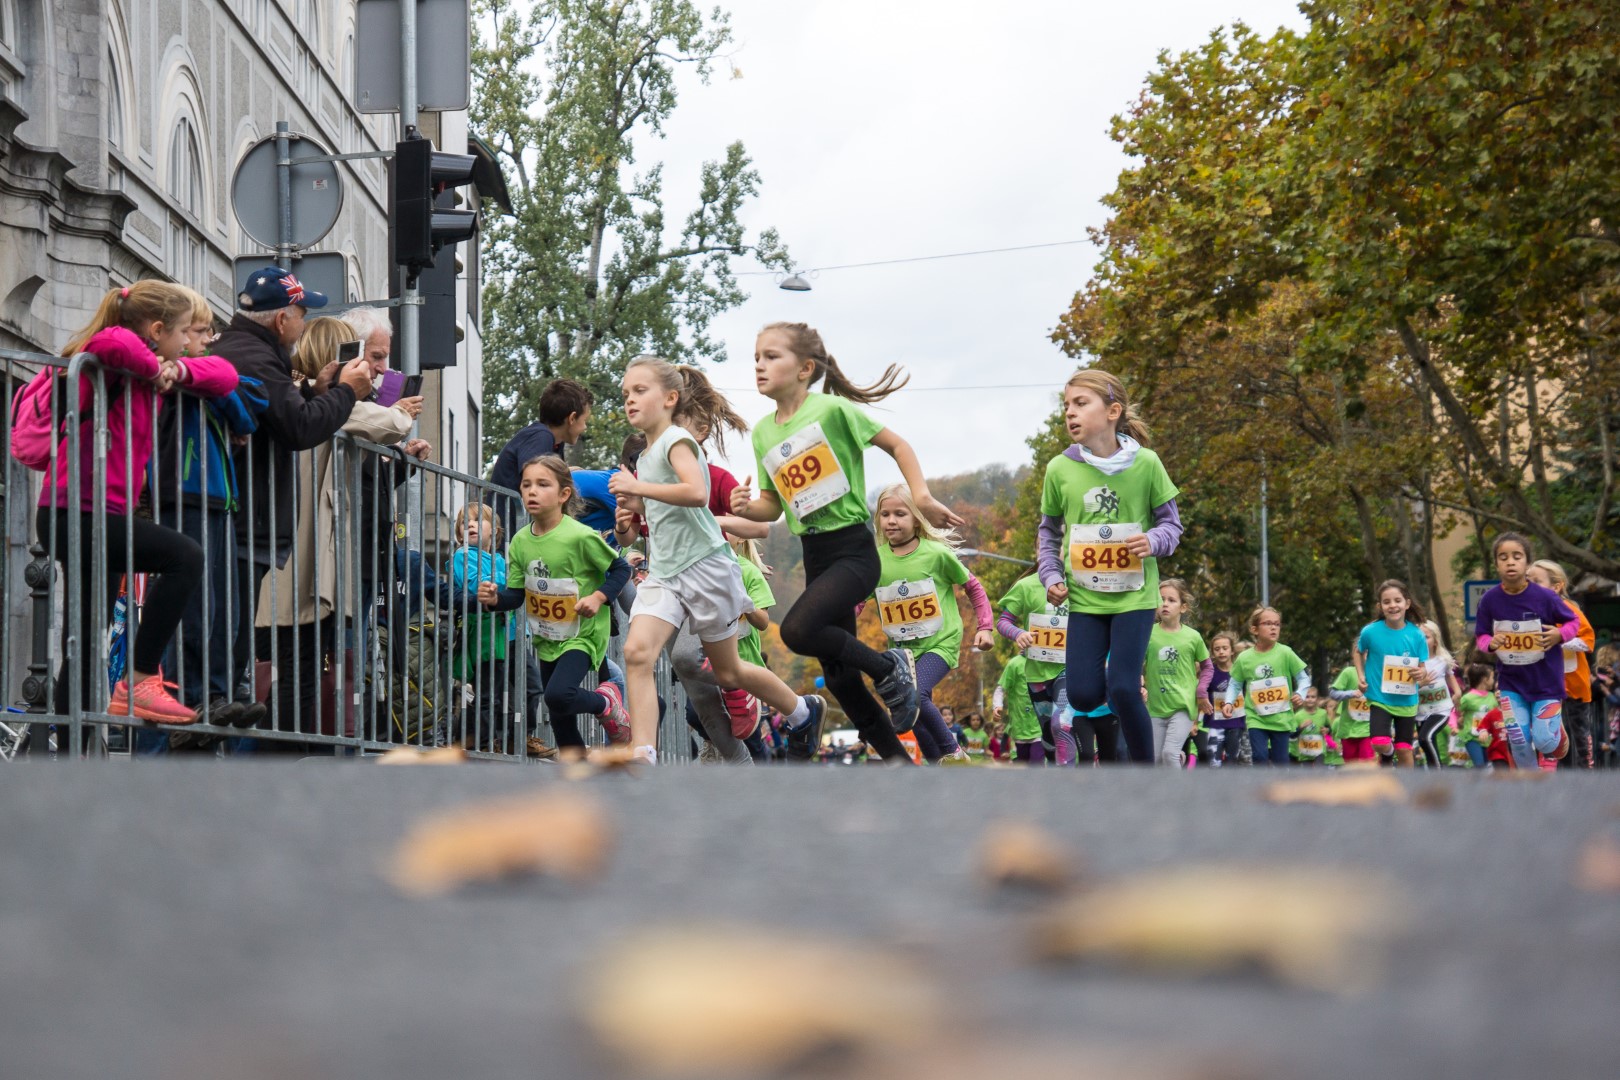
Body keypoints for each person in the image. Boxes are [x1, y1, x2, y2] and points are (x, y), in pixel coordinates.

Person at [729, 323, 960, 760]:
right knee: (839, 680)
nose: (759, 365)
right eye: (756, 357)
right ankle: (898, 764)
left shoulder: (833, 411)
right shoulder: (762, 433)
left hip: (853, 550)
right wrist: (744, 507)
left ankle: (888, 667)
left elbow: (898, 445)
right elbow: (772, 507)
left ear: (805, 368)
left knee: (797, 630)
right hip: (814, 555)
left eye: (771, 356)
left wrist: (923, 496)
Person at [33, 281, 241, 727]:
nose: (187, 342)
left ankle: (72, 752)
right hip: (75, 511)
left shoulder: (148, 370)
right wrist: (153, 367)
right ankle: (141, 678)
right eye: (183, 332)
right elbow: (112, 340)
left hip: (100, 514)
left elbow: (225, 375)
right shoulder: (115, 354)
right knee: (186, 556)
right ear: (157, 330)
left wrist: (176, 371)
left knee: (86, 640)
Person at [610, 357, 826, 765]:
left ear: (670, 399)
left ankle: (802, 711)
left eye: (640, 391)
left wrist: (640, 489)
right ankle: (643, 754)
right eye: (625, 394)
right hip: (666, 574)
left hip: (706, 569)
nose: (630, 400)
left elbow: (695, 492)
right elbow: (660, 513)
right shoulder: (647, 456)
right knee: (637, 653)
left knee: (729, 672)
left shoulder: (677, 440)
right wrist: (635, 508)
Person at [252, 315, 428, 742]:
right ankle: (284, 758)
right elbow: (386, 424)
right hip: (304, 554)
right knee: (301, 668)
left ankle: (295, 753)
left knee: (305, 666)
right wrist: (398, 412)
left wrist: (400, 461)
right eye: (367, 357)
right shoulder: (322, 399)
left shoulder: (308, 396)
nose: (374, 369)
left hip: (312, 552)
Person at [218, 267, 371, 717]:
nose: (304, 325)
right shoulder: (255, 356)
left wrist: (313, 391)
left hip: (245, 519)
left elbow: (283, 410)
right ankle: (195, 733)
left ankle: (212, 716)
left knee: (231, 639)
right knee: (226, 638)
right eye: (302, 314)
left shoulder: (251, 351)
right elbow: (298, 427)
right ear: (282, 319)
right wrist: (345, 393)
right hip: (243, 520)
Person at [1036, 369, 1182, 763]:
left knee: (1122, 688)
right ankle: (1118, 713)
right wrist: (1050, 575)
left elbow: (1172, 526)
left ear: (1112, 411)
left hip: (1134, 597)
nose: (1070, 412)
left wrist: (1153, 541)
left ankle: (1144, 774)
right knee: (1083, 695)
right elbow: (1048, 533)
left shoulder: (1147, 464)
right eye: (1066, 405)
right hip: (1086, 600)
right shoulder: (1059, 469)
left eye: (1080, 403)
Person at [153, 287, 269, 735]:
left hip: (220, 500)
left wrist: (201, 380)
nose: (207, 339)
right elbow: (232, 396)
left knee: (224, 608)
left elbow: (247, 404)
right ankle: (189, 698)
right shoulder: (162, 375)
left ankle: (216, 695)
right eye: (199, 331)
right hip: (182, 495)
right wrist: (213, 388)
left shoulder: (197, 371)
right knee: (194, 605)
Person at [477, 457, 632, 755]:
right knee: (561, 717)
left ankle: (606, 703)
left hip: (583, 634)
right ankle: (577, 770)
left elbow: (621, 569)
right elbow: (516, 595)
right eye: (526, 485)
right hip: (547, 635)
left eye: (542, 484)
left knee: (559, 695)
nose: (532, 491)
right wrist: (495, 599)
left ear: (564, 494)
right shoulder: (520, 541)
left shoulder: (580, 536)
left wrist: (598, 597)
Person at [870, 483, 990, 763]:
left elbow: (973, 587)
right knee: (912, 712)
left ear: (917, 519)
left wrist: (985, 627)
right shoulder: (875, 561)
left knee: (916, 695)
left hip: (940, 642)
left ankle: (954, 752)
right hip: (903, 651)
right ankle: (939, 766)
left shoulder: (936, 554)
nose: (891, 520)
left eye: (900, 514)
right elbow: (858, 600)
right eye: (885, 514)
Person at [1476, 533, 1578, 770]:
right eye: (1503, 557)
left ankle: (1556, 734)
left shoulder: (1545, 597)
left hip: (1546, 682)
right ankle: (1530, 783)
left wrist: (1559, 634)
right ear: (1496, 564)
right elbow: (1481, 635)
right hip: (1511, 683)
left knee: (1544, 741)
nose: (1510, 562)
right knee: (1519, 739)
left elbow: (1573, 622)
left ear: (1527, 562)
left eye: (1517, 556)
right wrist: (1491, 643)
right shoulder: (1490, 600)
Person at [487, 378, 591, 534]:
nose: (585, 427)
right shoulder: (540, 437)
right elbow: (536, 476)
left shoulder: (554, 442)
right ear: (572, 418)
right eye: (584, 420)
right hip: (508, 532)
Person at [448, 503, 513, 752]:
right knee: (487, 694)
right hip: (482, 634)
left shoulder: (498, 559)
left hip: (502, 634)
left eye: (477, 520)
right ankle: (480, 743)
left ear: (494, 530)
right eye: (464, 523)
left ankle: (504, 739)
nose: (470, 525)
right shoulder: (462, 555)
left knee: (505, 692)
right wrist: (508, 582)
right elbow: (478, 585)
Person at [996, 572, 1075, 766]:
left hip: (1068, 668)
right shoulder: (1026, 586)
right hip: (1037, 675)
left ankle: (1069, 777)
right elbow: (1003, 621)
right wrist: (1018, 633)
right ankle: (1053, 770)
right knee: (1047, 735)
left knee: (1061, 724)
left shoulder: (1076, 582)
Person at [1352, 579, 1430, 768]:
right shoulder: (1370, 631)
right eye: (1386, 602)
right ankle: (1388, 754)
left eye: (1397, 600)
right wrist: (1361, 675)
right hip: (1380, 697)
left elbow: (1423, 668)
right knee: (1379, 742)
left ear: (1407, 604)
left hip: (1406, 700)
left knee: (1404, 749)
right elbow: (1357, 650)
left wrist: (1420, 673)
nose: (1392, 605)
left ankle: (1405, 784)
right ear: (1380, 606)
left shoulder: (1417, 635)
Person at [1526, 559, 1596, 769]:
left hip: (1573, 687)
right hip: (1543, 687)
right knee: (1550, 739)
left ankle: (1584, 780)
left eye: (1537, 581)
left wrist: (1559, 638)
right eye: (1528, 581)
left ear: (1556, 586)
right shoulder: (1526, 612)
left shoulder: (1568, 609)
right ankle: (1556, 781)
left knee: (1578, 738)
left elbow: (1588, 641)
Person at [1222, 606, 1309, 765]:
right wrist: (1229, 702)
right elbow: (1235, 684)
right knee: (1260, 757)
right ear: (1254, 629)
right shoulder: (1244, 658)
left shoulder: (1285, 652)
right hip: (1256, 717)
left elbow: (1303, 678)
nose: (1273, 627)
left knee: (1281, 762)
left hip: (1281, 717)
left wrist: (1300, 694)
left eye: (1277, 624)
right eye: (1268, 623)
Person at [1144, 578, 1211, 767]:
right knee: (1156, 759)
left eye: (1171, 600)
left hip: (1183, 705)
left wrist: (1201, 691)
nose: (1165, 604)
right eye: (1161, 599)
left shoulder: (1192, 637)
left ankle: (1177, 784)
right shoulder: (1148, 633)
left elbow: (1207, 666)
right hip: (1155, 706)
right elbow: (1136, 662)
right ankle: (1179, 762)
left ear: (1183, 607)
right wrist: (1139, 682)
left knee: (1169, 753)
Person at [1414, 620, 1462, 769]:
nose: (1422, 640)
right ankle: (1434, 772)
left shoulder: (1442, 660)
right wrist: (1422, 683)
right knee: (1427, 742)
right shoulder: (1412, 662)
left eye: (1426, 637)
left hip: (1441, 709)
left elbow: (1449, 675)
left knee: (1425, 738)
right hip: (1421, 711)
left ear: (1435, 641)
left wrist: (1457, 692)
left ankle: (1438, 774)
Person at [993, 655, 1045, 764]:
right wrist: (997, 705)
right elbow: (1000, 688)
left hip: (1039, 727)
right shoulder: (1014, 663)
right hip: (1020, 727)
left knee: (1036, 767)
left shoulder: (1044, 660)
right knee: (1023, 768)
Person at [1202, 631, 1243, 765]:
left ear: (1232, 651)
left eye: (1225, 648)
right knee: (1214, 762)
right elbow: (1201, 696)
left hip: (1237, 723)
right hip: (1215, 724)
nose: (1221, 652)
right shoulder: (1210, 673)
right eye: (1217, 649)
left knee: (1233, 761)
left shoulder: (1240, 671)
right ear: (1213, 653)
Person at [1456, 663, 1502, 770]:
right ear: (1485, 679)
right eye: (1492, 678)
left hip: (1488, 738)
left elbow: (1497, 714)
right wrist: (1457, 722)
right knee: (1479, 765)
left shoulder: (1492, 697)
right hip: (1471, 737)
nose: (1493, 680)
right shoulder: (1468, 698)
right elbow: (1455, 711)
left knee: (1487, 766)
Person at [1328, 662, 1375, 764]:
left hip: (1369, 729)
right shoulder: (1348, 672)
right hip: (1348, 729)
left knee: (1367, 766)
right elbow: (1333, 693)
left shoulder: (1377, 671)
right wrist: (1351, 693)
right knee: (1351, 767)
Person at [1290, 688, 1329, 766]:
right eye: (1307, 697)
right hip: (1304, 753)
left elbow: (1329, 728)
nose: (1310, 699)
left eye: (1313, 697)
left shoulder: (1323, 713)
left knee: (1319, 771)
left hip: (1319, 751)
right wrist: (1301, 727)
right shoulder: (1298, 715)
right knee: (1307, 773)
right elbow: (1292, 735)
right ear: (1303, 699)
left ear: (1317, 699)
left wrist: (1327, 730)